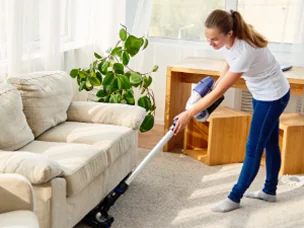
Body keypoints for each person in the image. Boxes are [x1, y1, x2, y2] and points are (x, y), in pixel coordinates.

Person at [173, 9, 290, 212]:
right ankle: (269, 191)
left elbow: (220, 92)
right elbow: (227, 67)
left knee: (254, 148)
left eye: (214, 40)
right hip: (264, 93)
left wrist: (188, 113)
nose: (211, 44)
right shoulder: (232, 39)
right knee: (269, 142)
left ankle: (234, 197)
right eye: (208, 39)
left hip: (272, 97)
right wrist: (211, 88)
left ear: (229, 33)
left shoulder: (244, 50)